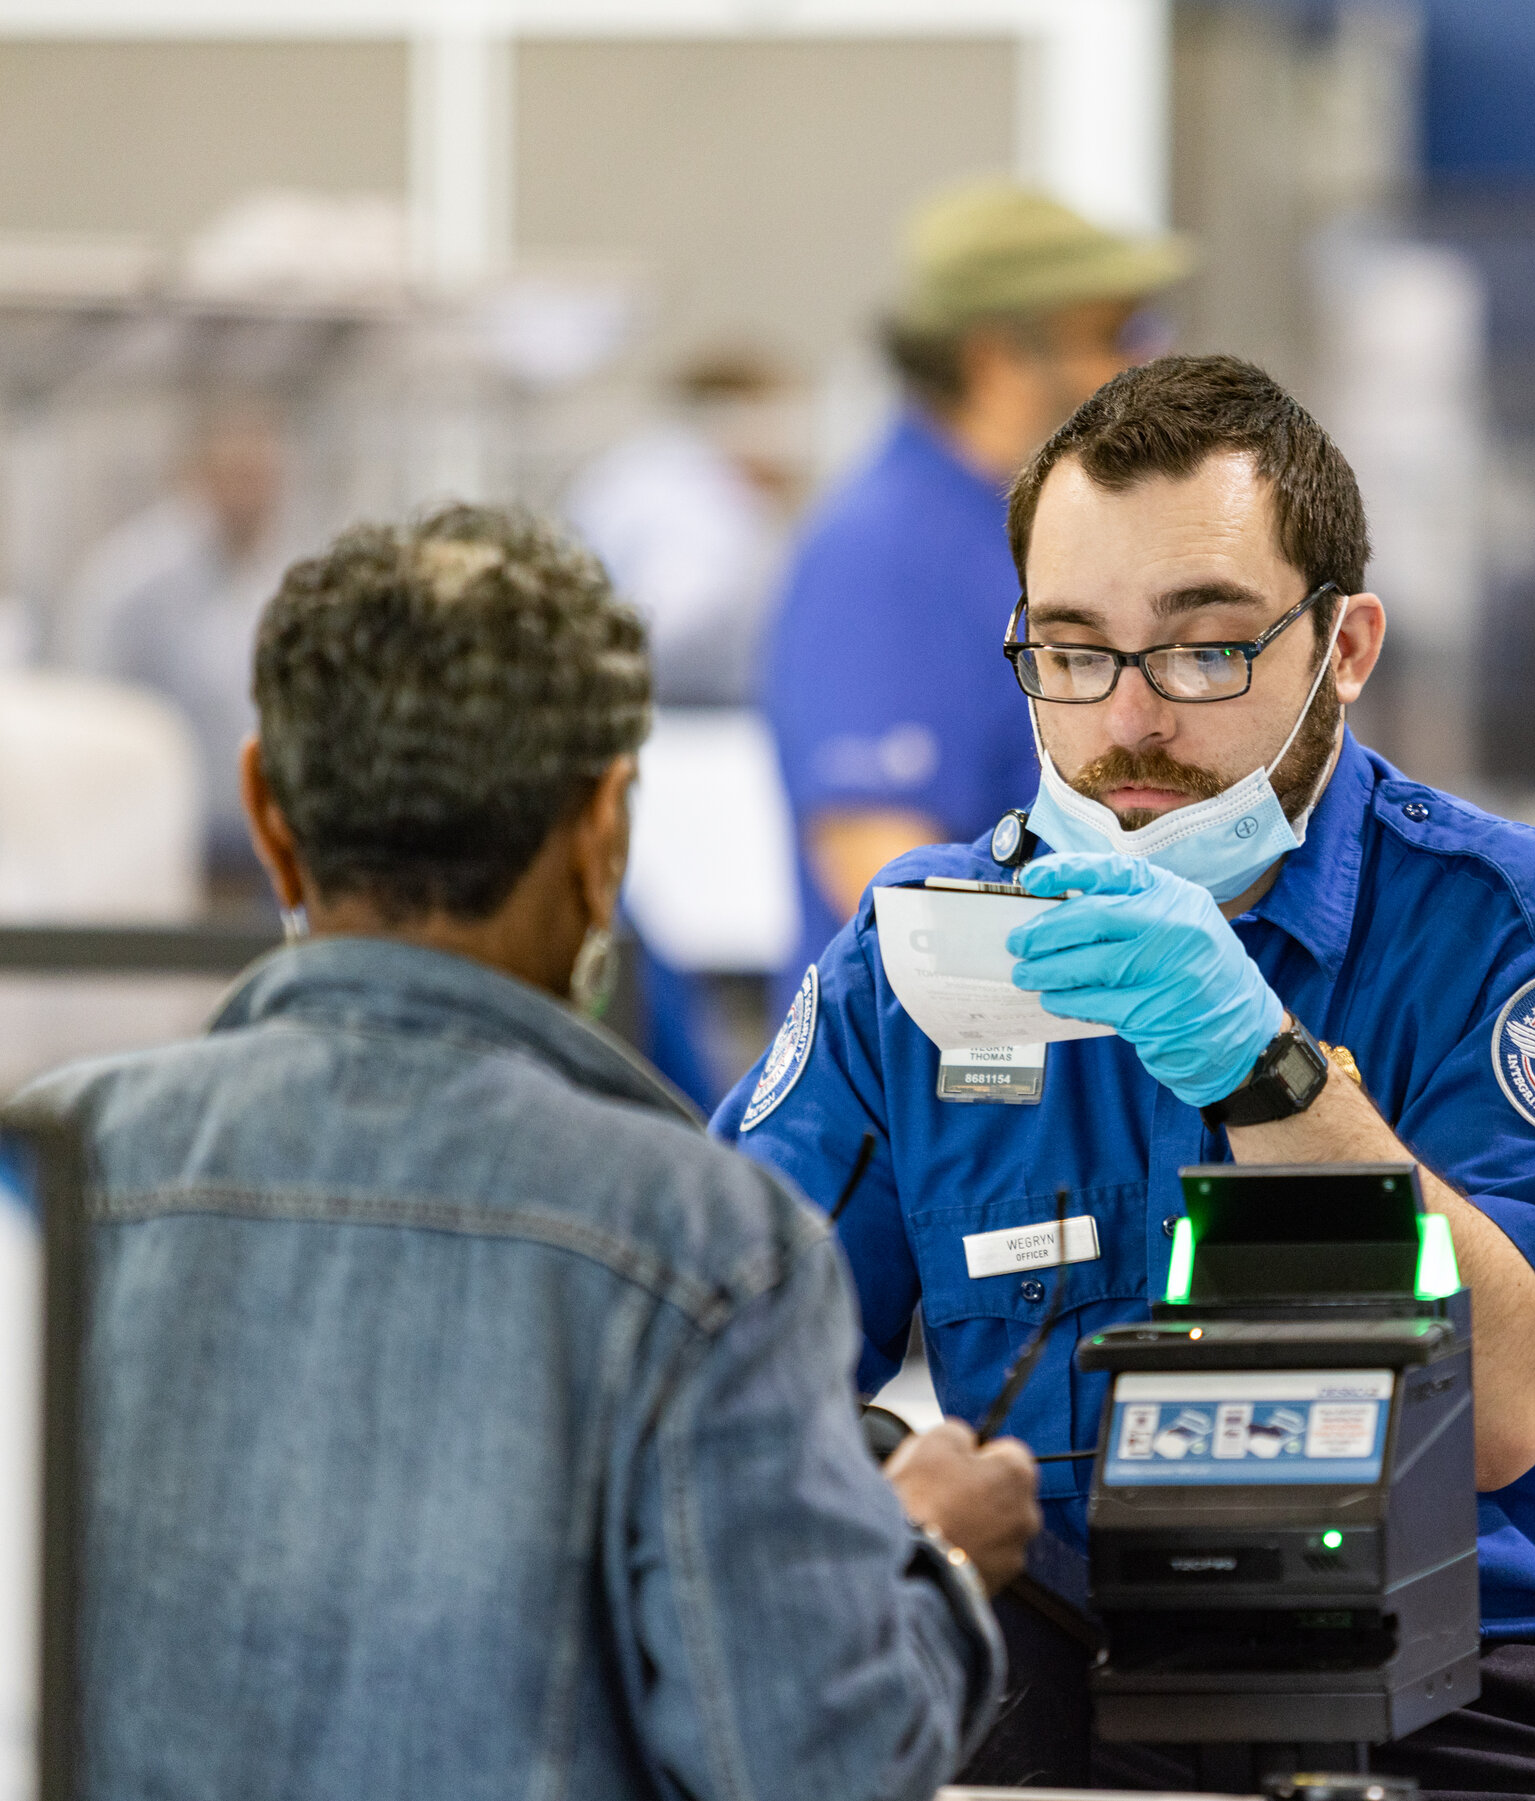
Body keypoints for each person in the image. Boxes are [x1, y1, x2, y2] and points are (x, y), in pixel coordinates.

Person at [718, 357, 1535, 1797]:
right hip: (1070, 1662)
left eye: (1204, 650)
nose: (1130, 721)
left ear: (1347, 645)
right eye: (1071, 652)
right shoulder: (925, 961)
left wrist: (1269, 1073)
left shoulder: (1503, 933)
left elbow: (1506, 1405)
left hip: (1470, 1674)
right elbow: (722, 1356)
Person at [13, 504, 1040, 1801]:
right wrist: (933, 1560)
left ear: (267, 808)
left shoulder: (53, 1172)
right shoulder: (703, 1239)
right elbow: (803, 1765)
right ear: (606, 829)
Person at [761, 176, 1188, 998]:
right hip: (949, 1087)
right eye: (1117, 333)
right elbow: (881, 871)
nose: (1146, 362)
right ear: (997, 355)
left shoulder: (1032, 531)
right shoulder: (885, 554)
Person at [67, 403, 294, 865]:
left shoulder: (261, 575)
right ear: (202, 478)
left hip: (243, 825)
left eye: (265, 479)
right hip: (157, 826)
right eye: (241, 477)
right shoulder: (138, 580)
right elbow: (95, 699)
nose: (257, 495)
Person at [564, 349, 801, 707]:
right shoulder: (705, 504)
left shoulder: (630, 472)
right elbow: (669, 625)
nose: (795, 447)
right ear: (738, 418)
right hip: (679, 714)